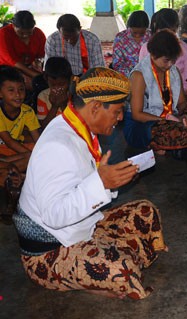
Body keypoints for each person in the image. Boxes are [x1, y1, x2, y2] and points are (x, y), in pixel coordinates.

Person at [12, 67, 167, 299]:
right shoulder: (58, 145)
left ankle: (115, 253)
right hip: (49, 250)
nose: (121, 118)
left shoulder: (82, 129)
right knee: (122, 270)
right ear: (95, 107)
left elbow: (87, 185)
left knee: (145, 212)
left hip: (83, 228)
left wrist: (112, 181)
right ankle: (116, 260)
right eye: (117, 111)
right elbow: (54, 216)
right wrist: (102, 182)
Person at [124, 29, 187, 150]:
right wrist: (165, 120)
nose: (170, 64)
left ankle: (171, 146)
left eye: (173, 60)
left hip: (169, 119)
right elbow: (137, 115)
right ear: (153, 55)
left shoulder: (174, 71)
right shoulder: (139, 75)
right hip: (141, 125)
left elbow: (182, 102)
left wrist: (183, 115)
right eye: (166, 60)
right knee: (161, 131)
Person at [139, 8, 187, 92]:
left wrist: (178, 94)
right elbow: (143, 75)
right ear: (156, 28)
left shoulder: (186, 49)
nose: (167, 35)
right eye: (163, 31)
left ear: (176, 29)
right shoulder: (146, 48)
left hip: (180, 94)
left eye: (172, 31)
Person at [0, 66, 40, 159]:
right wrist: (34, 157)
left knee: (37, 148)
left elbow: (37, 138)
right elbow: (9, 142)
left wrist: (40, 151)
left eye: (21, 89)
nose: (18, 94)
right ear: (0, 93)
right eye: (11, 90)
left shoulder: (27, 111)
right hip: (4, 148)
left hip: (15, 149)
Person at [0, 11, 46, 90]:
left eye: (29, 32)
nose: (25, 35)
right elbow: (12, 61)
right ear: (13, 26)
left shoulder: (38, 33)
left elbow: (42, 56)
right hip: (6, 70)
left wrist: (38, 64)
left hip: (29, 68)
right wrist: (36, 76)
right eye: (21, 33)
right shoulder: (3, 34)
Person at [36, 57, 73, 129]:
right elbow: (44, 127)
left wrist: (63, 105)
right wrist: (54, 107)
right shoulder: (43, 96)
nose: (57, 88)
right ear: (46, 80)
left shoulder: (75, 95)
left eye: (61, 84)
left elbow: (74, 125)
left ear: (70, 80)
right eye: (53, 85)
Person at [112, 10, 151, 76]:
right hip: (126, 76)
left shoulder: (151, 37)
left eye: (142, 33)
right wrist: (131, 76)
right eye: (134, 33)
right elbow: (117, 63)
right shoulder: (120, 38)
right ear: (129, 27)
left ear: (146, 29)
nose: (137, 35)